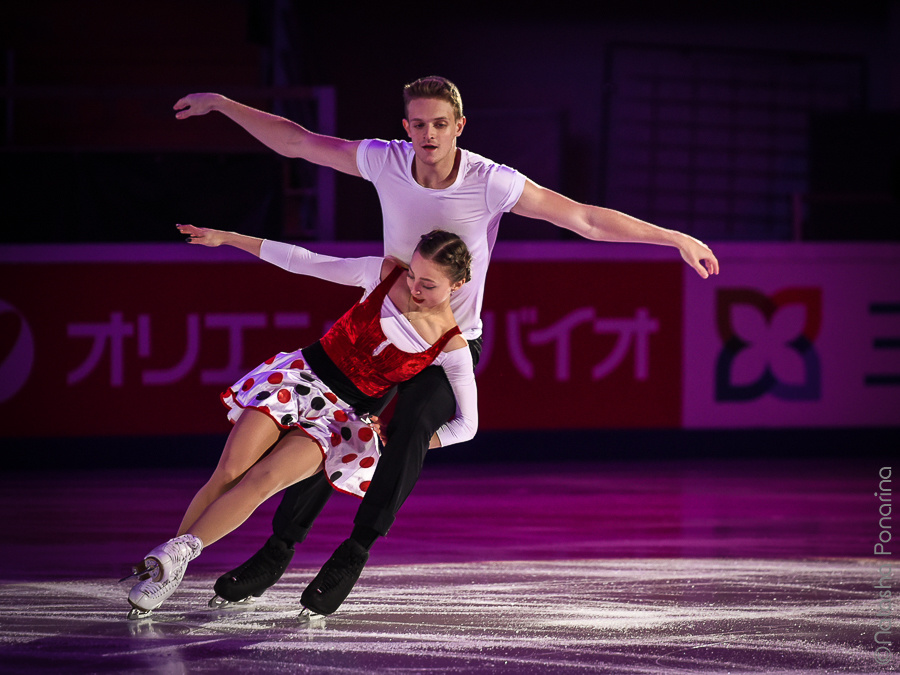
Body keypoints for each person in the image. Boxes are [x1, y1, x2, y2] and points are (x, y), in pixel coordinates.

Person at [172, 75, 720, 615]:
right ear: (405, 127)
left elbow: (584, 219)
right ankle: (277, 551)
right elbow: (299, 142)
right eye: (418, 124)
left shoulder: (492, 182)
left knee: (406, 430)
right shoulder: (385, 161)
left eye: (440, 124)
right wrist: (222, 104)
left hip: (450, 347)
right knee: (332, 433)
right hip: (386, 335)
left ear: (459, 125)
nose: (428, 135)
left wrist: (673, 237)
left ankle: (353, 553)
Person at [125, 224, 477, 618]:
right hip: (297, 379)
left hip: (338, 418)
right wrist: (230, 239)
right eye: (413, 275)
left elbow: (467, 425)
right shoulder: (385, 274)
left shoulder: (451, 346)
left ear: (458, 284)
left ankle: (174, 557)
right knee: (230, 471)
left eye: (428, 284)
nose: (415, 288)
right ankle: (169, 569)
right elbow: (305, 262)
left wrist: (395, 441)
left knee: (263, 481)